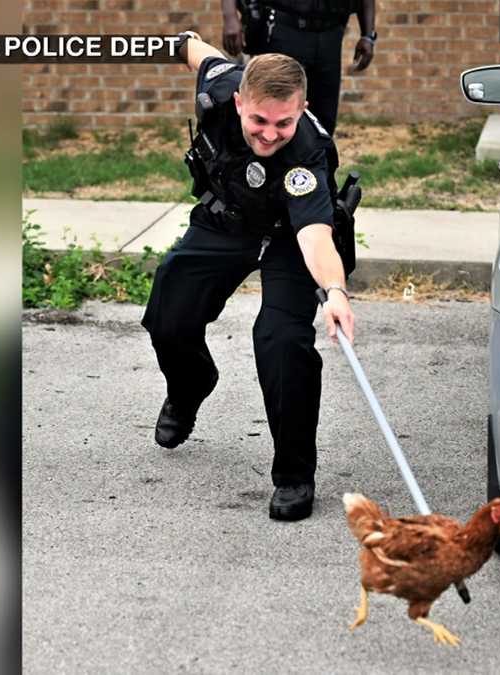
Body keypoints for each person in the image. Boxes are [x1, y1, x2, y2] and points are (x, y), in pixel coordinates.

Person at [141, 32, 355, 522]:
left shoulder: (306, 154)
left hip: (289, 237)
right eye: (258, 119)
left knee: (282, 342)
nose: (270, 133)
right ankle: (190, 386)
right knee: (169, 313)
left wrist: (336, 292)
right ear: (239, 100)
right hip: (227, 219)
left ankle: (295, 475)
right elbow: (196, 48)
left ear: (302, 108)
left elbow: (316, 237)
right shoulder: (220, 85)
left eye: (285, 121)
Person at [221, 0, 376, 136]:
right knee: (274, 113)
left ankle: (315, 167)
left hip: (330, 33)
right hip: (284, 27)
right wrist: (230, 16)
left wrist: (368, 35)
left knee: (323, 121)